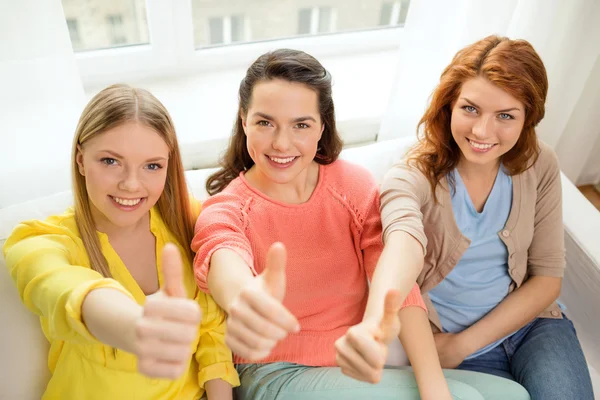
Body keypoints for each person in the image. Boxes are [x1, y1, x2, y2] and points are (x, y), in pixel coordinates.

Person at [191, 49, 526, 399]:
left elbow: (400, 285)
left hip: (352, 368)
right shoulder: (226, 208)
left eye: (301, 125)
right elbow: (222, 257)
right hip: (275, 375)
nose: (281, 143)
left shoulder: (351, 187)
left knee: (514, 395)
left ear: (322, 126)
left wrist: (433, 387)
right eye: (264, 122)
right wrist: (247, 300)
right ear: (244, 120)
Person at [377, 35, 595, 399]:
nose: (481, 132)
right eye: (470, 109)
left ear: (528, 119)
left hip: (532, 328)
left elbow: (546, 280)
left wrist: (463, 345)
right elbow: (399, 249)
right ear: (449, 105)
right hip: (447, 343)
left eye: (505, 116)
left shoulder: (540, 164)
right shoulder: (410, 177)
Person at [3, 84, 239, 399]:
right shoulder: (39, 241)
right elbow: (65, 290)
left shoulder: (187, 221)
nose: (131, 184)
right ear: (81, 160)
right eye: (111, 161)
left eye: (152, 166)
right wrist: (136, 327)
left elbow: (212, 335)